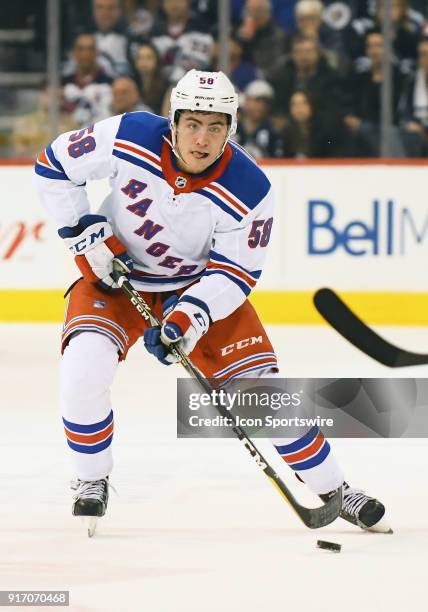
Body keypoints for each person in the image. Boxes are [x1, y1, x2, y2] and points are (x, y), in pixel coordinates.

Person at [34, 69, 389, 534]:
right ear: (174, 120)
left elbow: (235, 271)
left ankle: (335, 489)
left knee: (265, 399)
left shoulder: (249, 188)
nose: (202, 139)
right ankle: (90, 479)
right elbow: (54, 165)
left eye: (216, 126)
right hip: (115, 279)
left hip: (197, 287)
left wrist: (187, 318)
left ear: (231, 129)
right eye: (193, 124)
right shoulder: (129, 134)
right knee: (82, 371)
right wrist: (84, 233)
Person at [62, 33, 113, 126]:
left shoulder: (110, 83)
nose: (86, 54)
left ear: (97, 52)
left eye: (90, 49)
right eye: (81, 49)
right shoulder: (63, 84)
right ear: (74, 52)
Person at [234, 80, 284, 158]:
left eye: (265, 102)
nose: (261, 106)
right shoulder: (232, 130)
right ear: (246, 101)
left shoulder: (273, 132)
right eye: (257, 100)